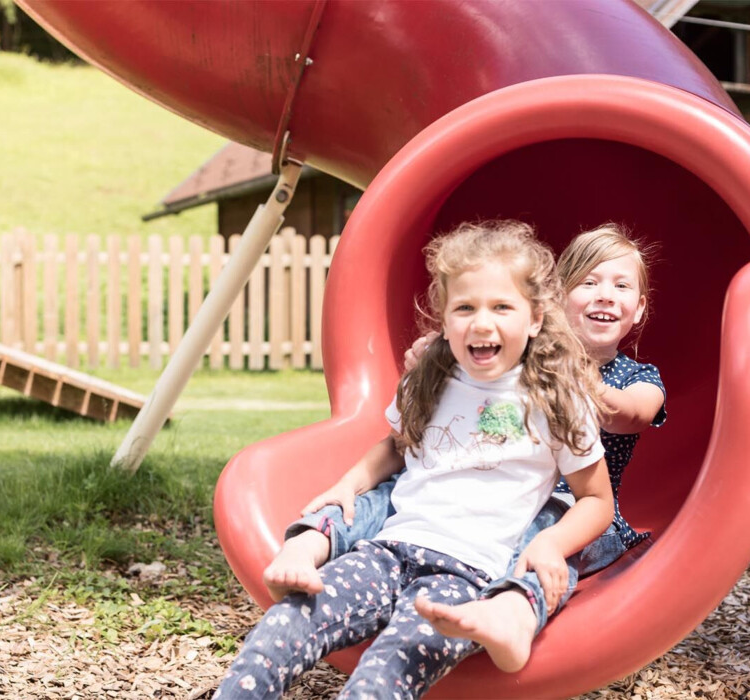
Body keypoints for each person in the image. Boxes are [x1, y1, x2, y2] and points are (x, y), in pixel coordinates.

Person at [213, 220, 614, 699]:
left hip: (465, 575)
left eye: (502, 307)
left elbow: (595, 499)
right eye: (464, 307)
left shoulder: (555, 397)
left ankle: (508, 616)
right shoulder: (430, 381)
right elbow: (395, 447)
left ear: (534, 320)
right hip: (387, 551)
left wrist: (551, 544)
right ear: (444, 320)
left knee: (386, 672)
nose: (481, 323)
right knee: (284, 627)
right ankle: (301, 558)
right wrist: (351, 482)